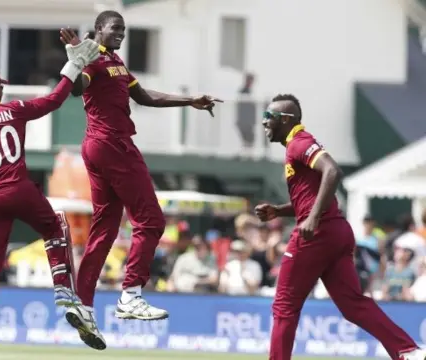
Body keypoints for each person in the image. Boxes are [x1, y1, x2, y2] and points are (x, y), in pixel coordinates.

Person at [58, 10, 222, 350]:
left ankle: (83, 305)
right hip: (113, 145)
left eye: (124, 28)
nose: (121, 33)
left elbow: (144, 95)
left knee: (104, 229)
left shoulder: (114, 61)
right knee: (151, 220)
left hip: (98, 147)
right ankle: (130, 295)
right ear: (98, 29)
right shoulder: (90, 56)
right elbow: (76, 88)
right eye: (115, 28)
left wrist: (189, 100)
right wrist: (74, 56)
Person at [0, 38, 101, 360]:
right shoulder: (13, 109)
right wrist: (72, 67)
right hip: (19, 188)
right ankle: (64, 292)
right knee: (56, 227)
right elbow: (55, 100)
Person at [254, 93, 425, 360]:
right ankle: (408, 351)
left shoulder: (299, 142)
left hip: (317, 234)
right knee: (352, 304)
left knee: (284, 306)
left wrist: (311, 218)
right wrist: (279, 210)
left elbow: (332, 171)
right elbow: (310, 197)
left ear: (286, 120)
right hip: (336, 231)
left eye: (269, 117)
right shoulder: (296, 145)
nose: (264, 123)